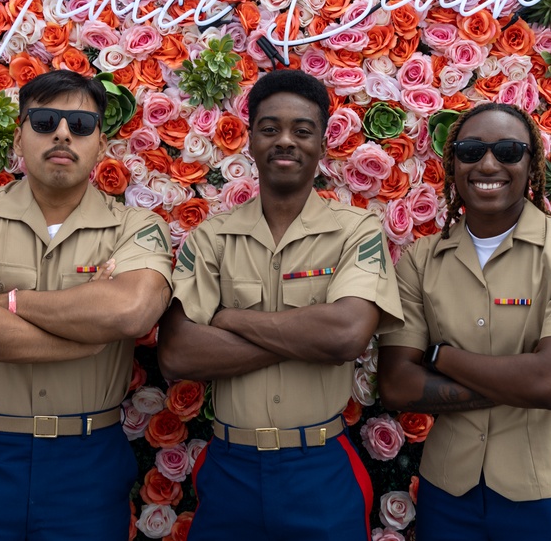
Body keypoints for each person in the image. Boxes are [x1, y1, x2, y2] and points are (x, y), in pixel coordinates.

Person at [0, 70, 173, 540]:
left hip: (86, 464)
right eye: (45, 120)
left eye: (81, 124)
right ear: (19, 133)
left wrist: (7, 300)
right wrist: (79, 341)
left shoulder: (135, 225)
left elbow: (130, 312)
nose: (63, 133)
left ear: (101, 144)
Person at [158, 69, 403, 541]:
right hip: (230, 469)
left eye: (302, 130)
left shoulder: (357, 230)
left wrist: (229, 319)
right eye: (270, 129)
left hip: (319, 468)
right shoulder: (212, 237)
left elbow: (346, 335)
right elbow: (178, 354)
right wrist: (307, 338)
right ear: (250, 140)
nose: (285, 141)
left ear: (322, 144)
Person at [378, 102, 551, 541]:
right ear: (453, 165)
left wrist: (438, 356)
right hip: (448, 494)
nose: (488, 163)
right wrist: (514, 381)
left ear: (531, 165)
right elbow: (396, 386)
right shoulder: (420, 261)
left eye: (508, 151)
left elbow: (549, 384)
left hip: (547, 492)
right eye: (470, 150)